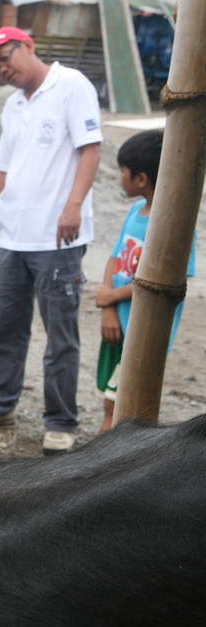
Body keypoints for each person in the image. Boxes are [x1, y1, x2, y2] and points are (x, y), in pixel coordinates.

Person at [0, 27, 102, 455]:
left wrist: (73, 206)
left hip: (57, 237)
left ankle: (60, 420)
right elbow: (4, 170)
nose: (3, 69)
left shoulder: (71, 86)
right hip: (14, 238)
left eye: (6, 57)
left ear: (27, 46)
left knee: (60, 332)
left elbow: (90, 149)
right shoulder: (15, 105)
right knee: (3, 324)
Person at [94, 129, 195, 433]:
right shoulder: (134, 212)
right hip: (117, 326)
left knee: (121, 406)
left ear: (140, 179)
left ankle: (102, 467)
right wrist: (108, 307)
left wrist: (110, 298)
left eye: (122, 170)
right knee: (108, 400)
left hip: (145, 334)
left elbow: (162, 283)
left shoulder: (174, 224)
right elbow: (114, 258)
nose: (118, 176)